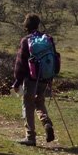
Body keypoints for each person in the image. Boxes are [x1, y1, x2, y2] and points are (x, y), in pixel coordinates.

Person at [12, 13, 55, 146]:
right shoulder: (47, 38)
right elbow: (54, 58)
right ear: (38, 24)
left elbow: (20, 64)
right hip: (44, 77)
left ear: (26, 26)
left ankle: (30, 137)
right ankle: (46, 122)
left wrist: (17, 81)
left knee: (28, 105)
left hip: (31, 79)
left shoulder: (26, 40)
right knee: (39, 102)